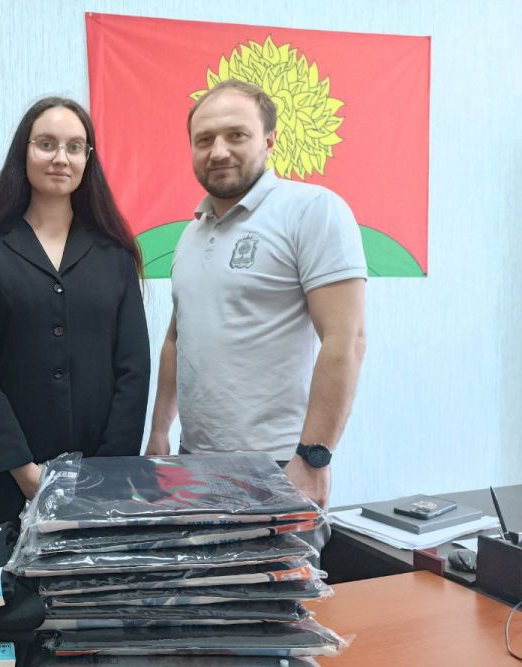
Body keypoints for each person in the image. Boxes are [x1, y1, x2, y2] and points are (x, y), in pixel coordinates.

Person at [145, 79, 367, 512]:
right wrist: (158, 433)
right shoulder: (191, 233)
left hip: (278, 466)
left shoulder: (312, 209)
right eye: (204, 139)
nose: (218, 151)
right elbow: (176, 339)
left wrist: (314, 458)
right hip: (192, 461)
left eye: (236, 135)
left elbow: (347, 339)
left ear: (269, 140)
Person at [0, 97, 150, 529]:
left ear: (87, 159)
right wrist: (23, 470)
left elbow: (133, 368)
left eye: (75, 147)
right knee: (17, 572)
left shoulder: (115, 254)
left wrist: (109, 470)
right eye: (46, 144)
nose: (61, 158)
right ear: (23, 152)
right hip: (11, 474)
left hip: (103, 475)